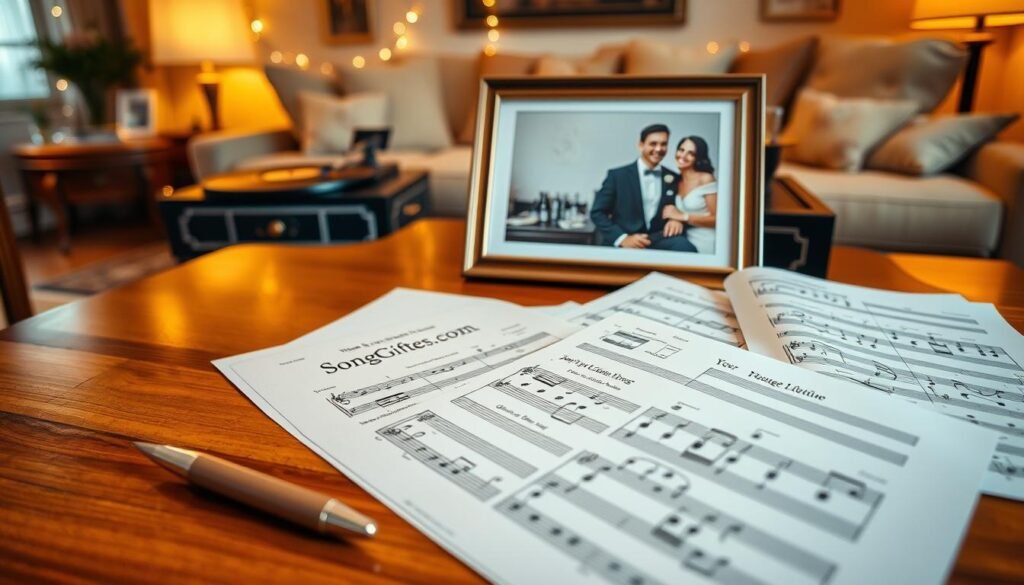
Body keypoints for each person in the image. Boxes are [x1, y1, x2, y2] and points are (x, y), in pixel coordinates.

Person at [590, 124, 697, 251]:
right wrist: (622, 238)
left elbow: (680, 206)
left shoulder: (674, 177)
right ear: (641, 145)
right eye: (653, 143)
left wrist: (677, 220)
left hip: (659, 239)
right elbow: (597, 212)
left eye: (663, 144)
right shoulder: (617, 176)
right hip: (625, 239)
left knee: (687, 248)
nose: (658, 149)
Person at [661, 135, 717, 254]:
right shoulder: (676, 180)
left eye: (691, 153)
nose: (683, 156)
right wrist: (674, 219)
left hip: (707, 241)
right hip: (686, 241)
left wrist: (683, 217)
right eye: (681, 150)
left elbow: (717, 220)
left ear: (698, 158)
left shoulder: (706, 178)